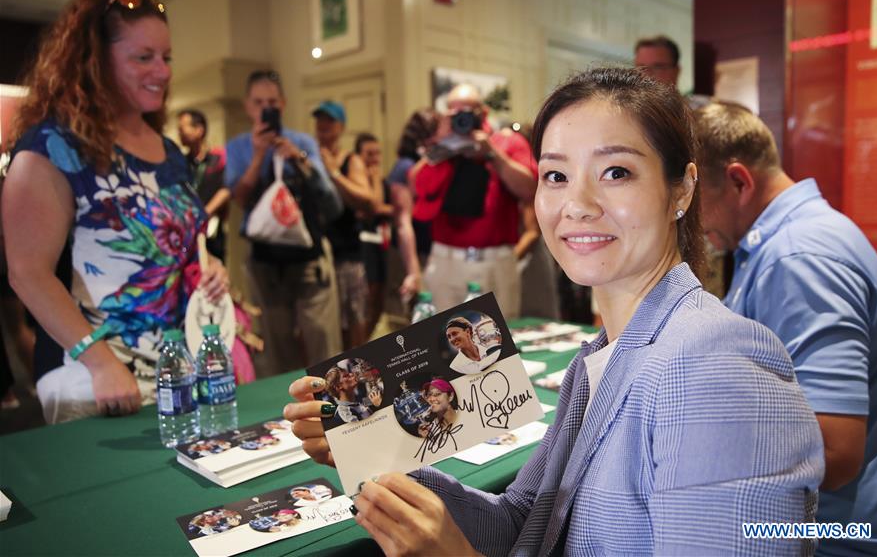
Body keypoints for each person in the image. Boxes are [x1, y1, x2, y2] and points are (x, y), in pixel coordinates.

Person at [284, 68, 824, 555]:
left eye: (616, 172)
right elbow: (529, 523)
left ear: (681, 189)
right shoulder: (602, 356)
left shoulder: (716, 365)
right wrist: (371, 447)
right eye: (556, 176)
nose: (577, 204)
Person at [2, 0, 229, 424]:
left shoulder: (168, 152)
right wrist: (100, 362)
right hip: (95, 382)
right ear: (95, 62)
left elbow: (181, 250)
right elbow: (27, 272)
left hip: (178, 373)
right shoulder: (53, 147)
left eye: (166, 58)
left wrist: (209, 270)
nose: (161, 71)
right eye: (143, 57)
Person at [694, 101, 877, 556]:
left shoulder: (799, 258)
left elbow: (834, 452)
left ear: (738, 181)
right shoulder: (787, 240)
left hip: (839, 536)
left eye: (696, 202)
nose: (695, 223)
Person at [225, 71, 342, 376]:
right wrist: (258, 155)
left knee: (323, 342)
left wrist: (298, 158)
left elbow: (328, 196)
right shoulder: (238, 146)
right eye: (259, 102)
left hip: (309, 257)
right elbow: (240, 199)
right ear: (247, 106)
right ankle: (286, 416)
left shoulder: (303, 141)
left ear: (283, 104)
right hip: (265, 262)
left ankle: (333, 410)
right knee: (276, 348)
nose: (266, 108)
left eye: (272, 102)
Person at [413, 84, 537, 318]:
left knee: (497, 348)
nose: (462, 118)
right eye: (454, 112)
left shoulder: (506, 142)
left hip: (493, 263)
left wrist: (491, 153)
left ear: (483, 112)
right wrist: (443, 145)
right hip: (444, 261)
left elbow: (530, 189)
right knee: (441, 348)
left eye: (467, 111)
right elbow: (414, 187)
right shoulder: (442, 147)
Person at [314, 102, 376, 350]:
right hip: (317, 253)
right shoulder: (309, 156)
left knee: (355, 316)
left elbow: (367, 199)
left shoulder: (351, 160)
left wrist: (333, 173)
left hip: (347, 253)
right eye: (320, 120)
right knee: (323, 323)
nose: (323, 125)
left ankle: (356, 373)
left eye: (329, 120)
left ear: (341, 126)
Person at [385, 109, 442, 305]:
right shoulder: (404, 166)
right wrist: (413, 270)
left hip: (429, 252)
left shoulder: (432, 165)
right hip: (410, 255)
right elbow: (403, 223)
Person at [355, 133, 394, 337]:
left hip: (382, 246)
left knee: (380, 299)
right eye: (369, 154)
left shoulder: (384, 181)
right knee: (368, 299)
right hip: (363, 247)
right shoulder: (359, 182)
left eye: (377, 153)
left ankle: (367, 341)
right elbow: (375, 207)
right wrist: (375, 180)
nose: (374, 159)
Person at [177, 109, 229, 260]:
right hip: (187, 230)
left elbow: (226, 188)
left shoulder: (219, 159)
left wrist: (205, 213)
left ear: (199, 130)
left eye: (183, 127)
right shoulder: (181, 162)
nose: (179, 132)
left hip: (212, 229)